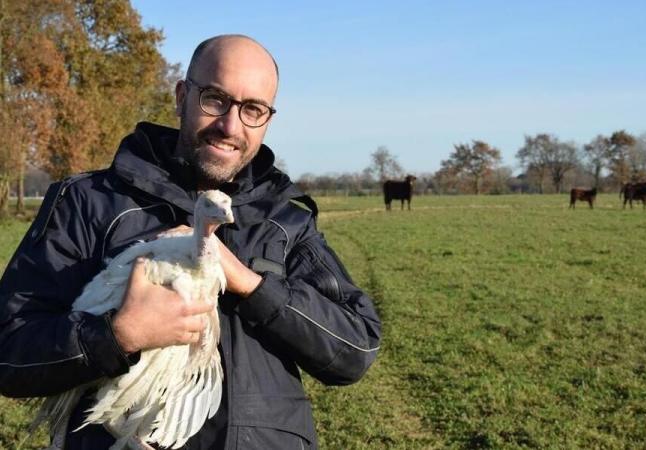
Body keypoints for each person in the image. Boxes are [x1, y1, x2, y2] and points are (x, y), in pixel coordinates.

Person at [0, 34, 381, 449]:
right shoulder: (89, 203)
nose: (230, 126)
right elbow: (9, 350)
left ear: (267, 119)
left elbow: (354, 350)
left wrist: (248, 284)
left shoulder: (286, 220)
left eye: (253, 109)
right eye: (215, 99)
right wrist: (116, 336)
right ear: (182, 96)